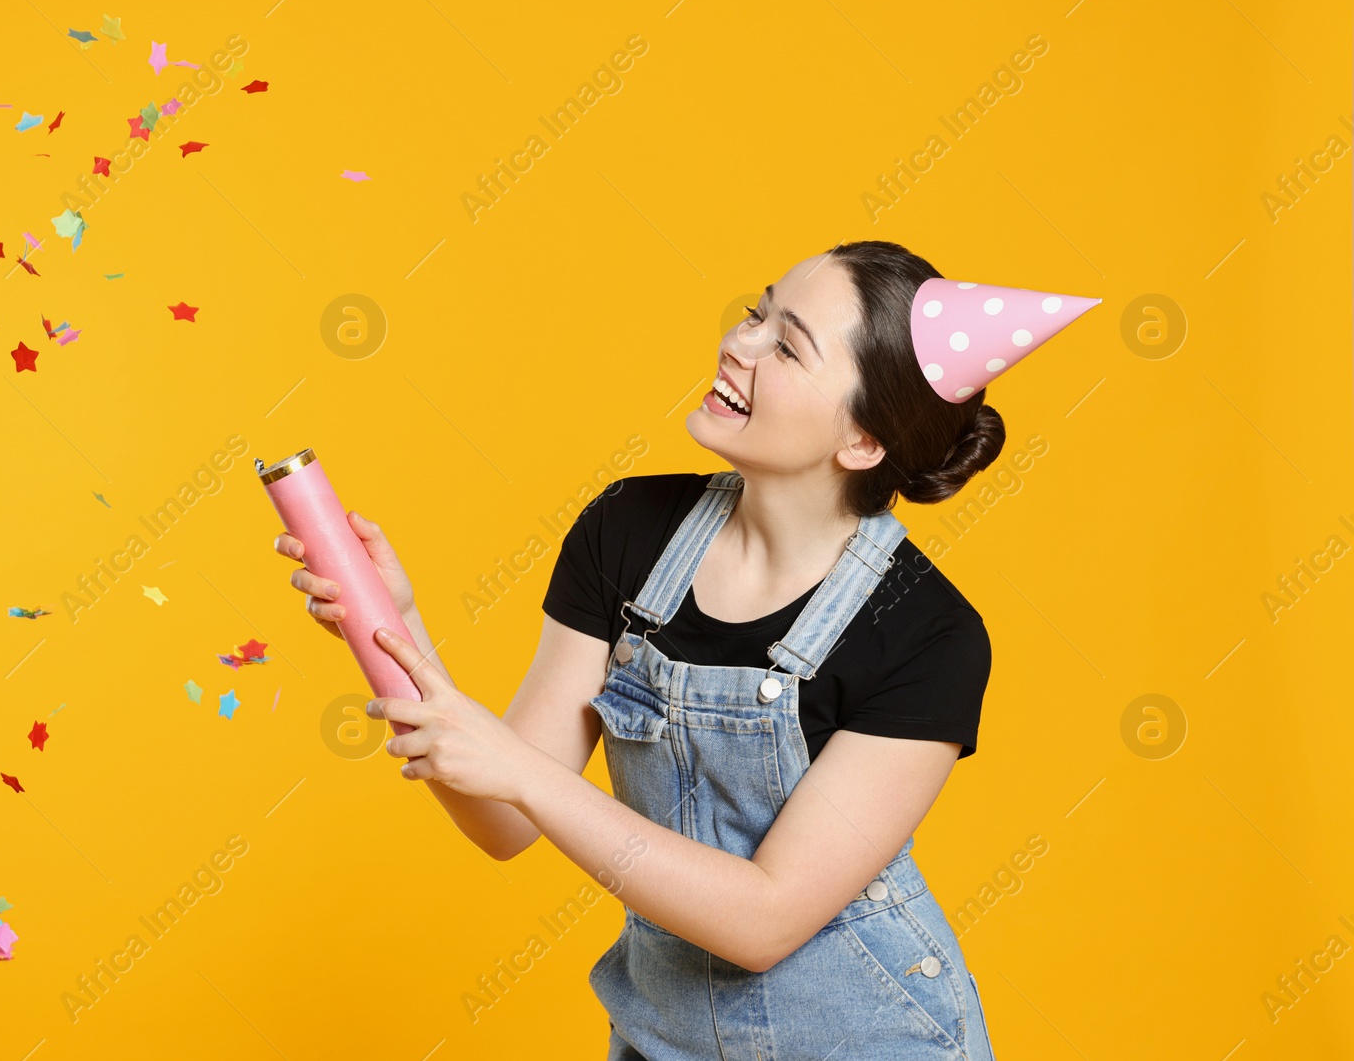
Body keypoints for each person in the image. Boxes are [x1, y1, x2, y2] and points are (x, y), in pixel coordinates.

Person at [273, 240, 1097, 1059]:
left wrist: (521, 770)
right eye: (755, 313)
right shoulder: (626, 531)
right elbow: (502, 819)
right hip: (665, 1037)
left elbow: (763, 921)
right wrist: (391, 624)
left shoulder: (927, 635)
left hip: (869, 1039)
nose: (738, 344)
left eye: (786, 345)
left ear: (863, 442)